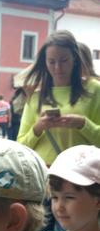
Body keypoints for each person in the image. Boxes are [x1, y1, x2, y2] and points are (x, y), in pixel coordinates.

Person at [17, 30, 100, 167]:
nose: (58, 68)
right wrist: (38, 127)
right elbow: (21, 146)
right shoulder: (35, 95)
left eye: (64, 60)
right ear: (45, 62)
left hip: (80, 175)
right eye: (51, 62)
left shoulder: (95, 89)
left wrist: (83, 124)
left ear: (74, 58)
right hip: (44, 172)